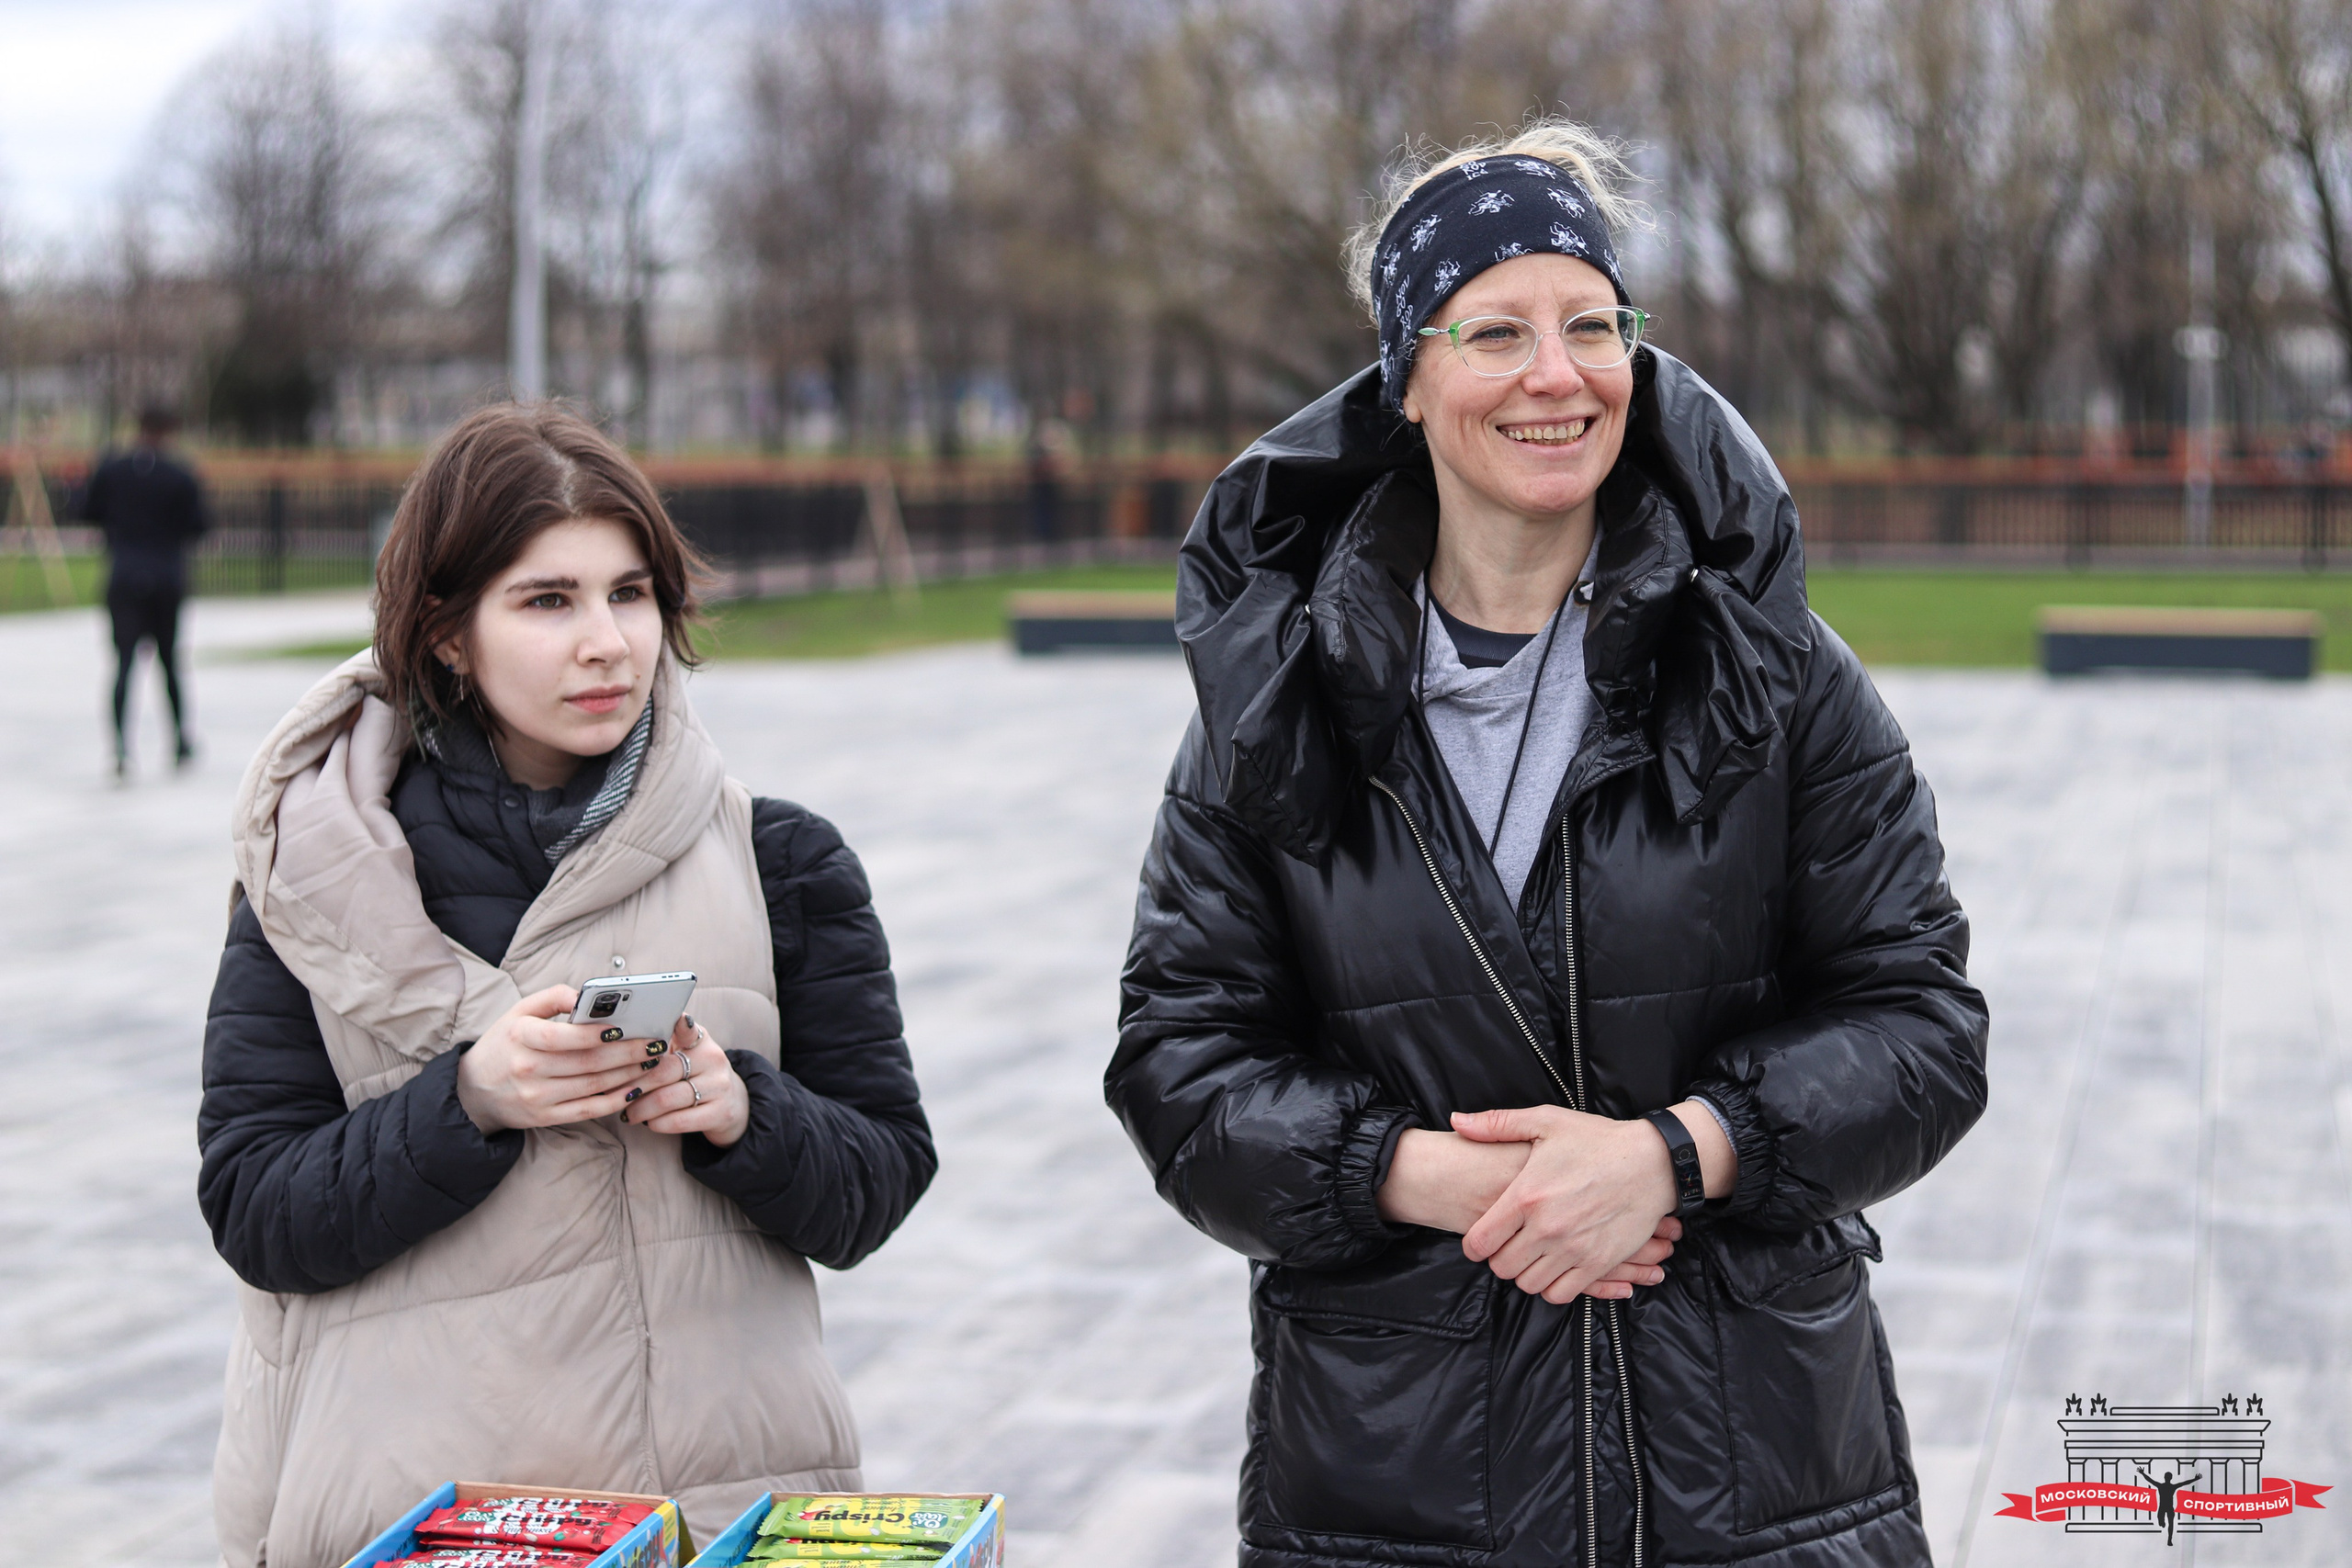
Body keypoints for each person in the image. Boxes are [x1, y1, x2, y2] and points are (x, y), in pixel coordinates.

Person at [1109, 122, 1987, 1568]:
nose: (1554, 374)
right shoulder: (1274, 699)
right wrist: (1426, 1174)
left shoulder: (1775, 669)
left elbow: (1926, 1024)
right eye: (1495, 330)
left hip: (1748, 1469)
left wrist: (1681, 1151)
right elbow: (1178, 1064)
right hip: (1405, 1470)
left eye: (1592, 325)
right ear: (1408, 375)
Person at [198, 404, 934, 1567]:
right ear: (446, 633)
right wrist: (468, 1102)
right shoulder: (311, 876)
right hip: (425, 1521)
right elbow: (256, 1211)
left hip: (715, 1512)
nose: (607, 642)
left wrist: (744, 1112)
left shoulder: (781, 860)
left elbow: (881, 1179)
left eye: (629, 592)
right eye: (549, 601)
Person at [74, 403, 209, 774]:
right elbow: (199, 525)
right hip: (166, 575)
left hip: (124, 574)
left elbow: (85, 511)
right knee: (170, 662)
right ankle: (180, 740)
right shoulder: (180, 474)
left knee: (123, 665)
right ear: (168, 431)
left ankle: (119, 748)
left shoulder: (112, 468)